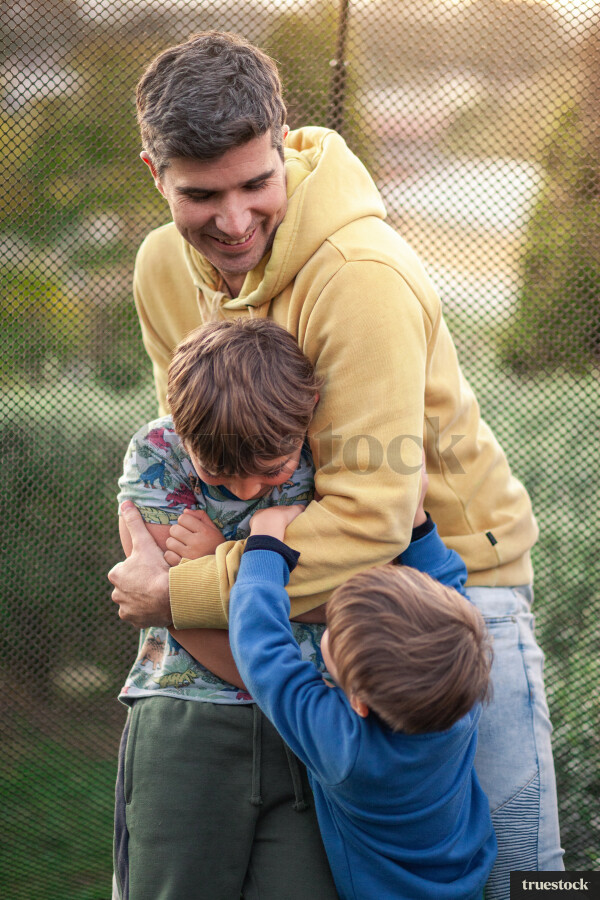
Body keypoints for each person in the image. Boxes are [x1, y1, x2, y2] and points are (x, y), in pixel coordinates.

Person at [108, 29, 563, 899]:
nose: (233, 222)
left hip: (452, 592)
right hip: (327, 606)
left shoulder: (357, 273)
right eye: (202, 195)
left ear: (282, 147)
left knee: (523, 873)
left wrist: (188, 592)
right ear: (153, 173)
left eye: (255, 184)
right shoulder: (161, 269)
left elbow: (373, 518)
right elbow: (201, 453)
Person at [114, 317, 338, 900]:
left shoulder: (331, 448)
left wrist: (221, 561)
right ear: (181, 424)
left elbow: (357, 596)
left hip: (305, 730)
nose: (245, 492)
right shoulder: (158, 451)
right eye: (217, 473)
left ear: (308, 408)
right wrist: (291, 613)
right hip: (194, 714)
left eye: (270, 472)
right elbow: (161, 600)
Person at [228, 501, 497, 900]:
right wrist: (416, 518)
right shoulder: (460, 695)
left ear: (358, 702)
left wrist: (266, 540)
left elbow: (261, 650)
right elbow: (450, 596)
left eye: (333, 631)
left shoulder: (346, 747)